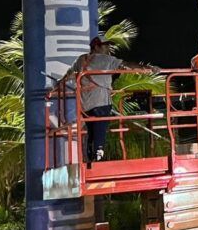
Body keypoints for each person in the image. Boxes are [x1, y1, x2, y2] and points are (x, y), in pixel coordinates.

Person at [63, 34, 157, 163]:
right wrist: (149, 68)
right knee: (100, 129)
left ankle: (90, 158)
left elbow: (69, 75)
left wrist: (58, 84)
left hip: (85, 104)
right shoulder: (106, 59)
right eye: (105, 45)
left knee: (91, 132)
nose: (108, 48)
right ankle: (98, 156)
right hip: (100, 101)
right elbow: (126, 65)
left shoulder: (81, 59)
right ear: (96, 47)